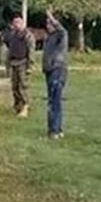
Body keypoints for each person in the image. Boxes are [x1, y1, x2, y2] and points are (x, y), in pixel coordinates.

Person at [43, 9, 69, 139]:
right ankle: (55, 129)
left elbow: (62, 30)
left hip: (57, 70)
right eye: (47, 23)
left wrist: (51, 16)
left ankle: (55, 130)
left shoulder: (61, 35)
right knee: (52, 101)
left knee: (55, 101)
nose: (48, 25)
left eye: (50, 23)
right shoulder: (49, 38)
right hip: (49, 70)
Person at [6, 13, 34, 117]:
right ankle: (18, 106)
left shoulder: (27, 35)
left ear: (22, 23)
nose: (16, 24)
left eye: (18, 22)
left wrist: (30, 66)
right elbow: (10, 50)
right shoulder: (13, 35)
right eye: (15, 22)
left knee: (23, 86)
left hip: (23, 62)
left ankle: (25, 106)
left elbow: (31, 51)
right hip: (14, 63)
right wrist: (7, 63)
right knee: (15, 87)